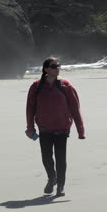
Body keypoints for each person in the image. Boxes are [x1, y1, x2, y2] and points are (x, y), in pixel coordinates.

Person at [25, 57, 85, 197]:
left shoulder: (65, 85)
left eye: (58, 66)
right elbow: (30, 108)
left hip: (62, 128)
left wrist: (80, 130)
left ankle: (61, 186)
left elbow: (75, 109)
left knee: (60, 158)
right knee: (46, 158)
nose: (57, 68)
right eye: (53, 66)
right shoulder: (36, 86)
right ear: (46, 69)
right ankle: (52, 178)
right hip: (44, 128)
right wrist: (30, 128)